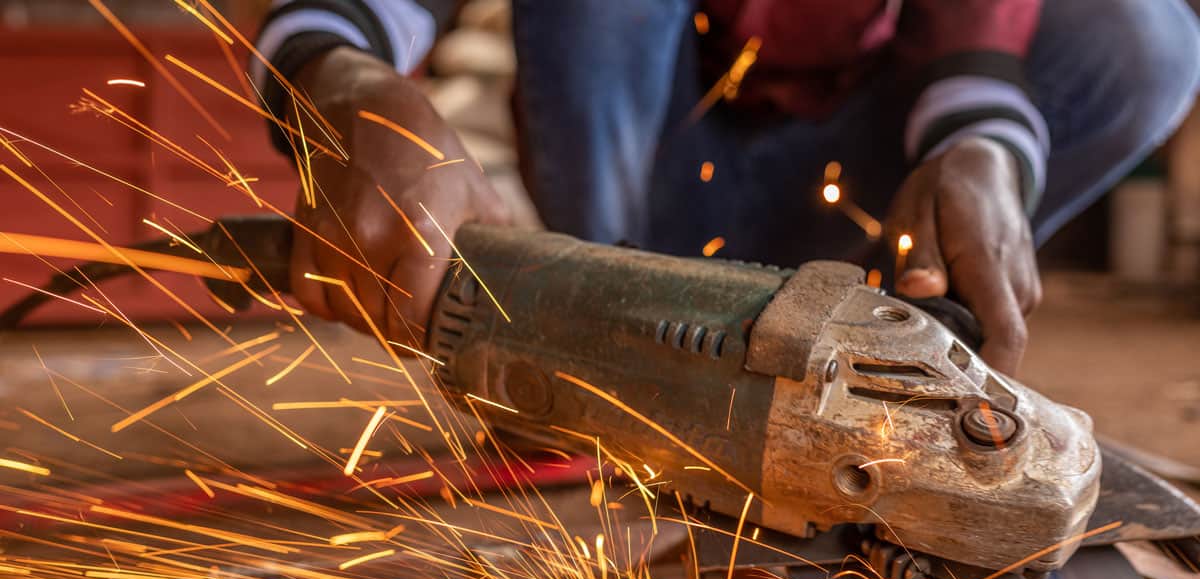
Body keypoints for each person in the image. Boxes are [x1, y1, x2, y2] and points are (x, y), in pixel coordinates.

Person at [251, 0, 1200, 375]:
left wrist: (988, 152)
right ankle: (618, 348)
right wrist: (342, 80)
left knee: (1147, 40)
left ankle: (872, 357)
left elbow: (976, 47)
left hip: (851, 204)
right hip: (642, 191)